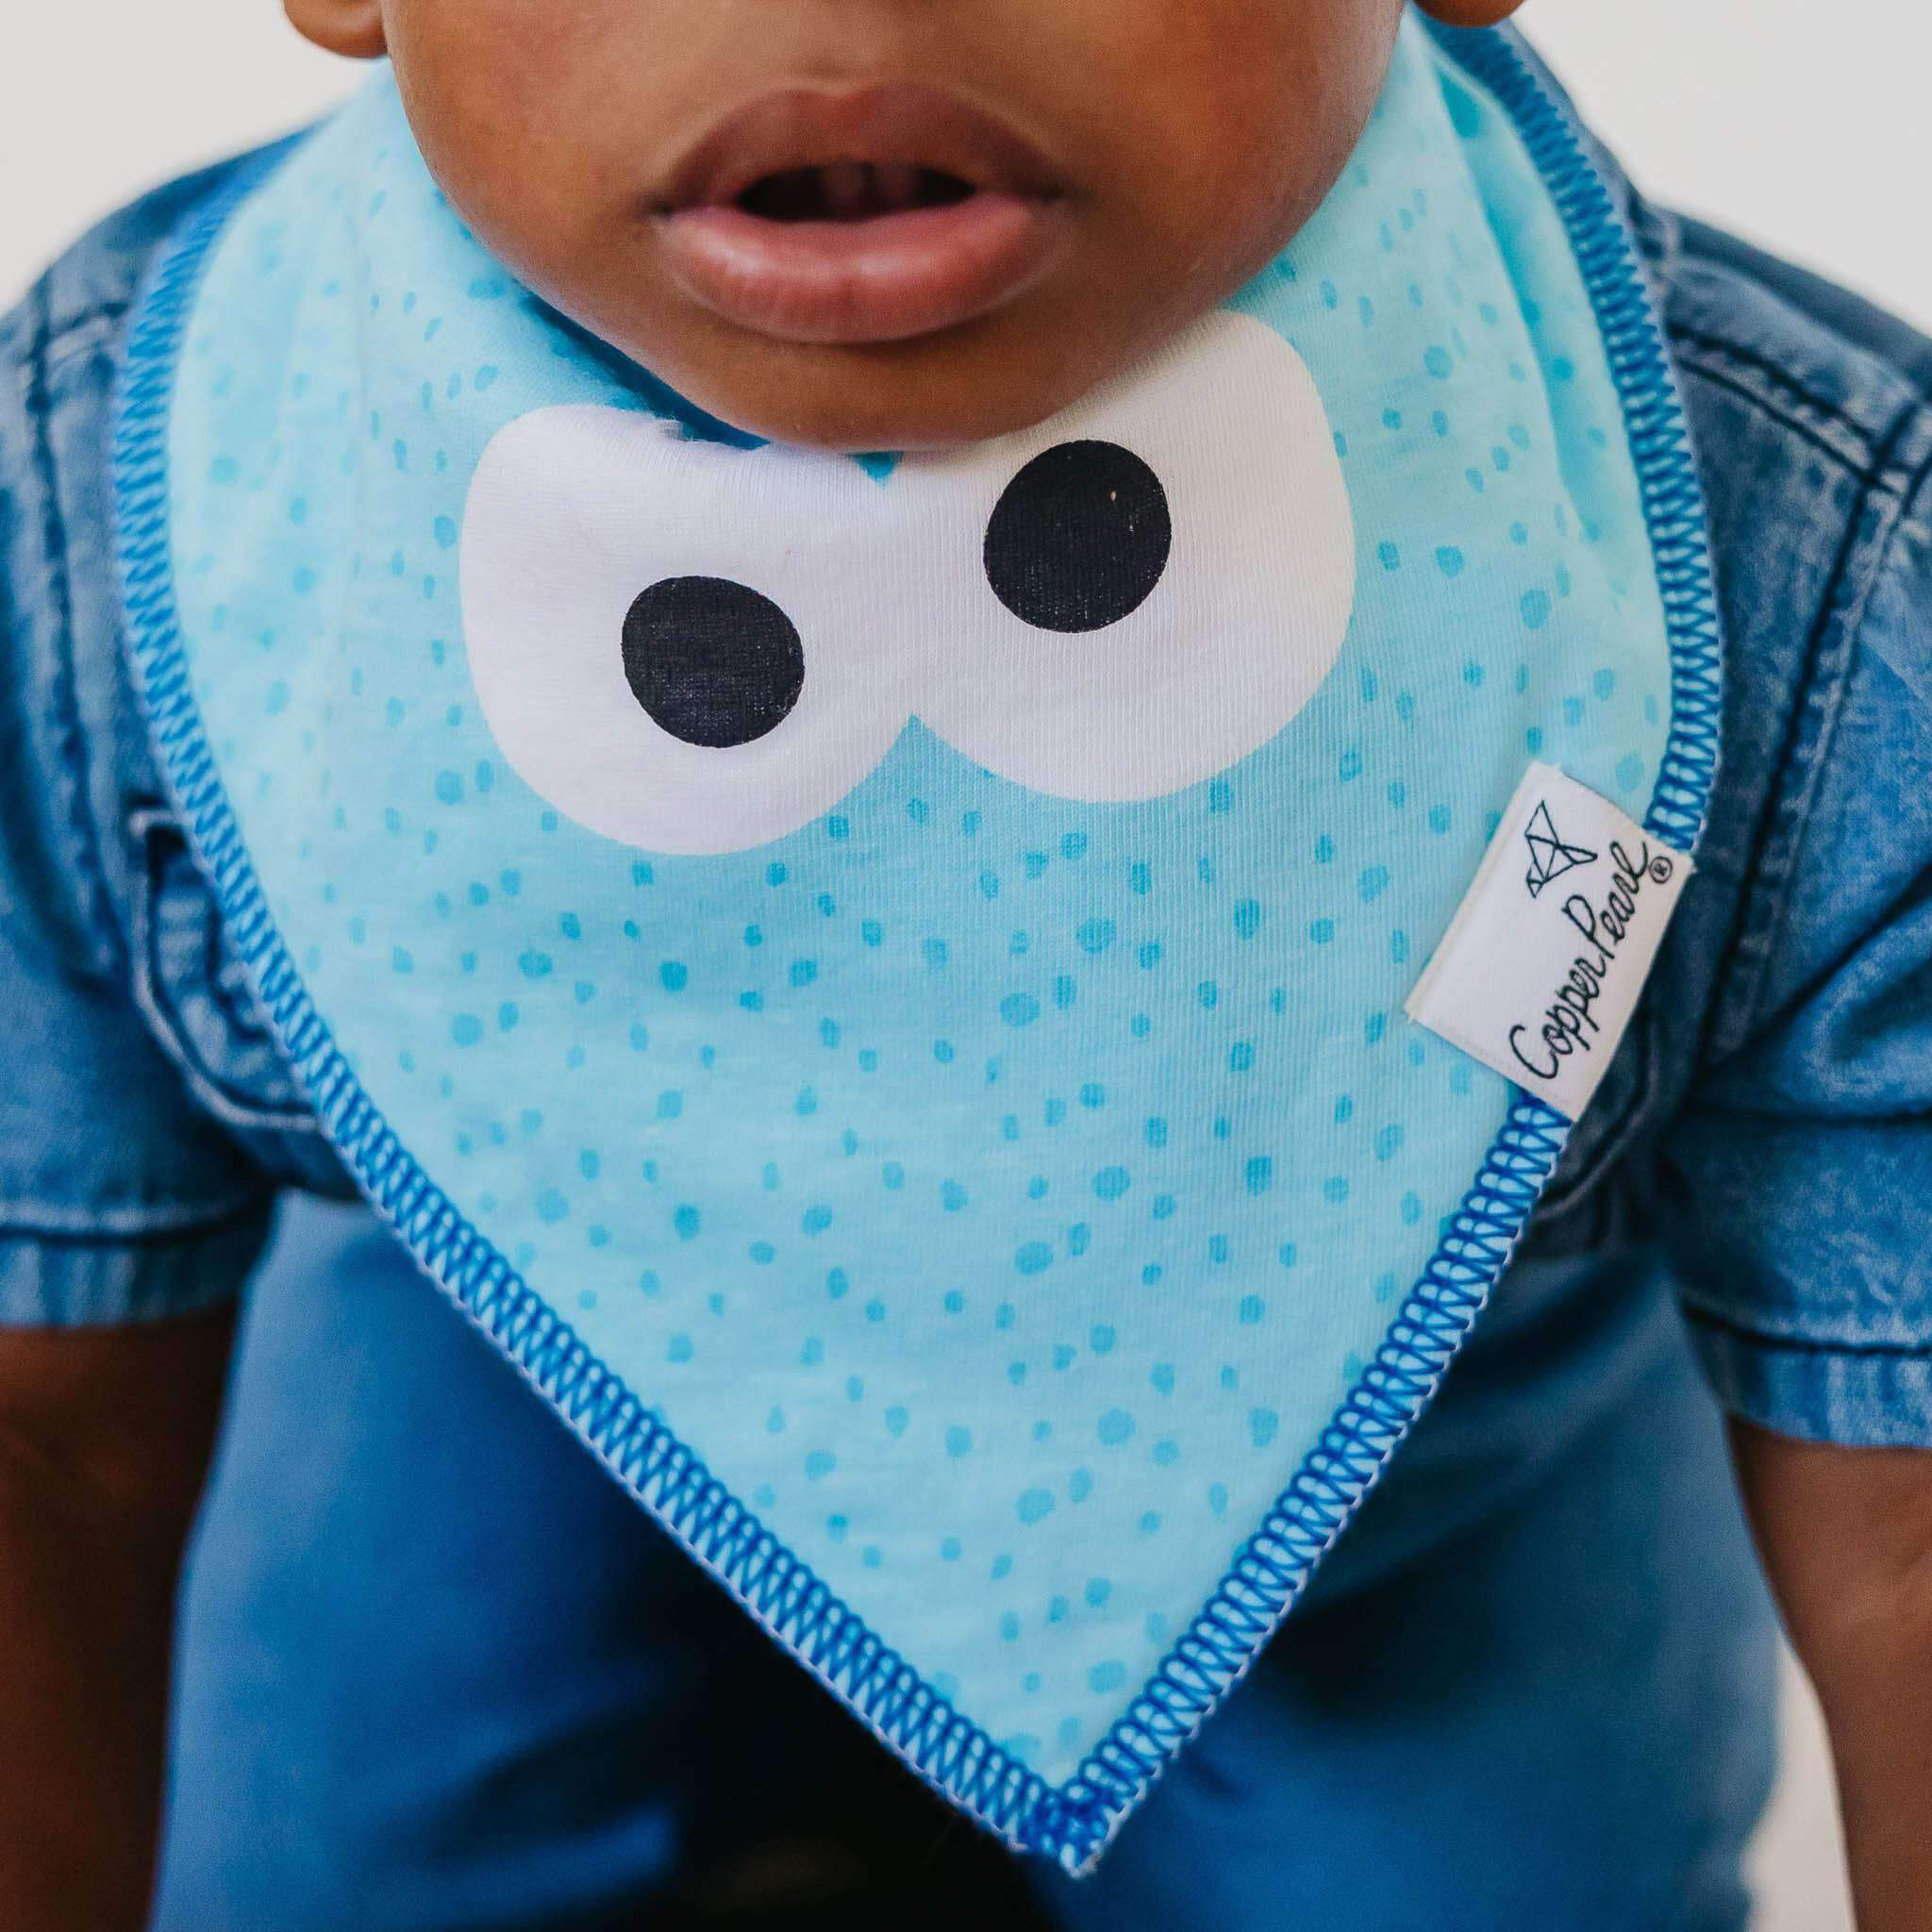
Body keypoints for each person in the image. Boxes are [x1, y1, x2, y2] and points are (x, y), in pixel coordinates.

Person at [3, 2, 1929, 1928]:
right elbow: (42, 1448)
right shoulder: (125, 512)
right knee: (314, 1863)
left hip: (1394, 1340)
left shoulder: (1796, 575)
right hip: (488, 1270)